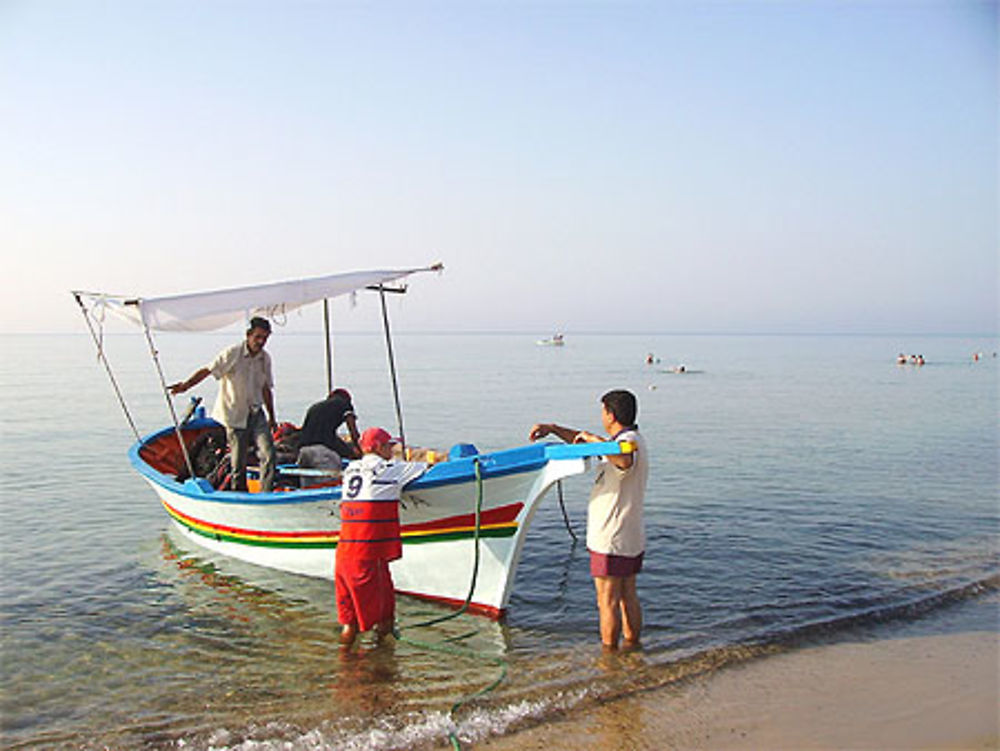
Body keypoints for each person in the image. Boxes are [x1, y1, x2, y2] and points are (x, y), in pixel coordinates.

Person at [529, 389, 649, 651]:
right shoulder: (631, 438)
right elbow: (586, 442)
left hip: (611, 537)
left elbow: (623, 460)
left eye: (603, 411)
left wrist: (596, 441)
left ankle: (610, 657)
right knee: (628, 595)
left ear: (611, 414)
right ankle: (634, 650)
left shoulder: (626, 446)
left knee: (607, 600)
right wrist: (553, 428)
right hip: (630, 534)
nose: (602, 416)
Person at [335, 427, 427, 648]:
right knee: (384, 619)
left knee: (350, 625)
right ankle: (380, 670)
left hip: (344, 556)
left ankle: (345, 667)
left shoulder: (351, 470)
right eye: (388, 446)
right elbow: (424, 468)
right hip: (368, 557)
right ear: (377, 448)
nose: (392, 451)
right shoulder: (387, 469)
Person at [169, 317, 277, 492]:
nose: (261, 342)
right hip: (235, 414)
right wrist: (185, 385)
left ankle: (266, 494)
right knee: (238, 462)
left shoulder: (265, 359)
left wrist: (272, 417)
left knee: (269, 453)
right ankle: (239, 494)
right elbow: (208, 370)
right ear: (248, 335)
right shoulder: (232, 353)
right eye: (257, 337)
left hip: (256, 412)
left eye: (264, 338)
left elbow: (266, 389)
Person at [297, 388, 361, 482]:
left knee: (307, 486)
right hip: (321, 452)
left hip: (303, 451)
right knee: (328, 483)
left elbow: (306, 431)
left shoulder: (314, 407)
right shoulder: (344, 404)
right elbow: (353, 433)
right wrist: (360, 451)